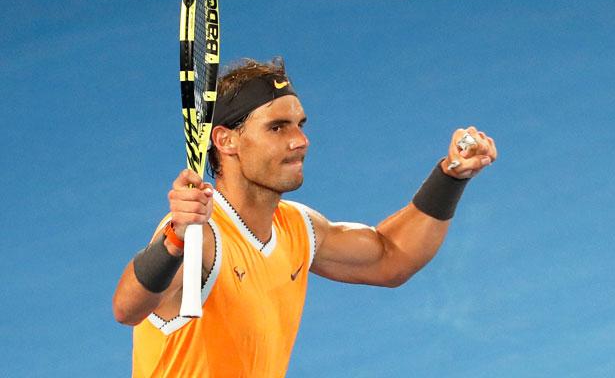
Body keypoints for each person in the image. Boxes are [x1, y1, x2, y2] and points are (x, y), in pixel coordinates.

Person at [113, 57, 498, 377]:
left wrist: (450, 176)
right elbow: (128, 309)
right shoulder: (200, 237)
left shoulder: (298, 227)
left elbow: (390, 256)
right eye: (277, 127)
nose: (300, 140)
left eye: (299, 125)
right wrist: (176, 240)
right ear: (226, 140)